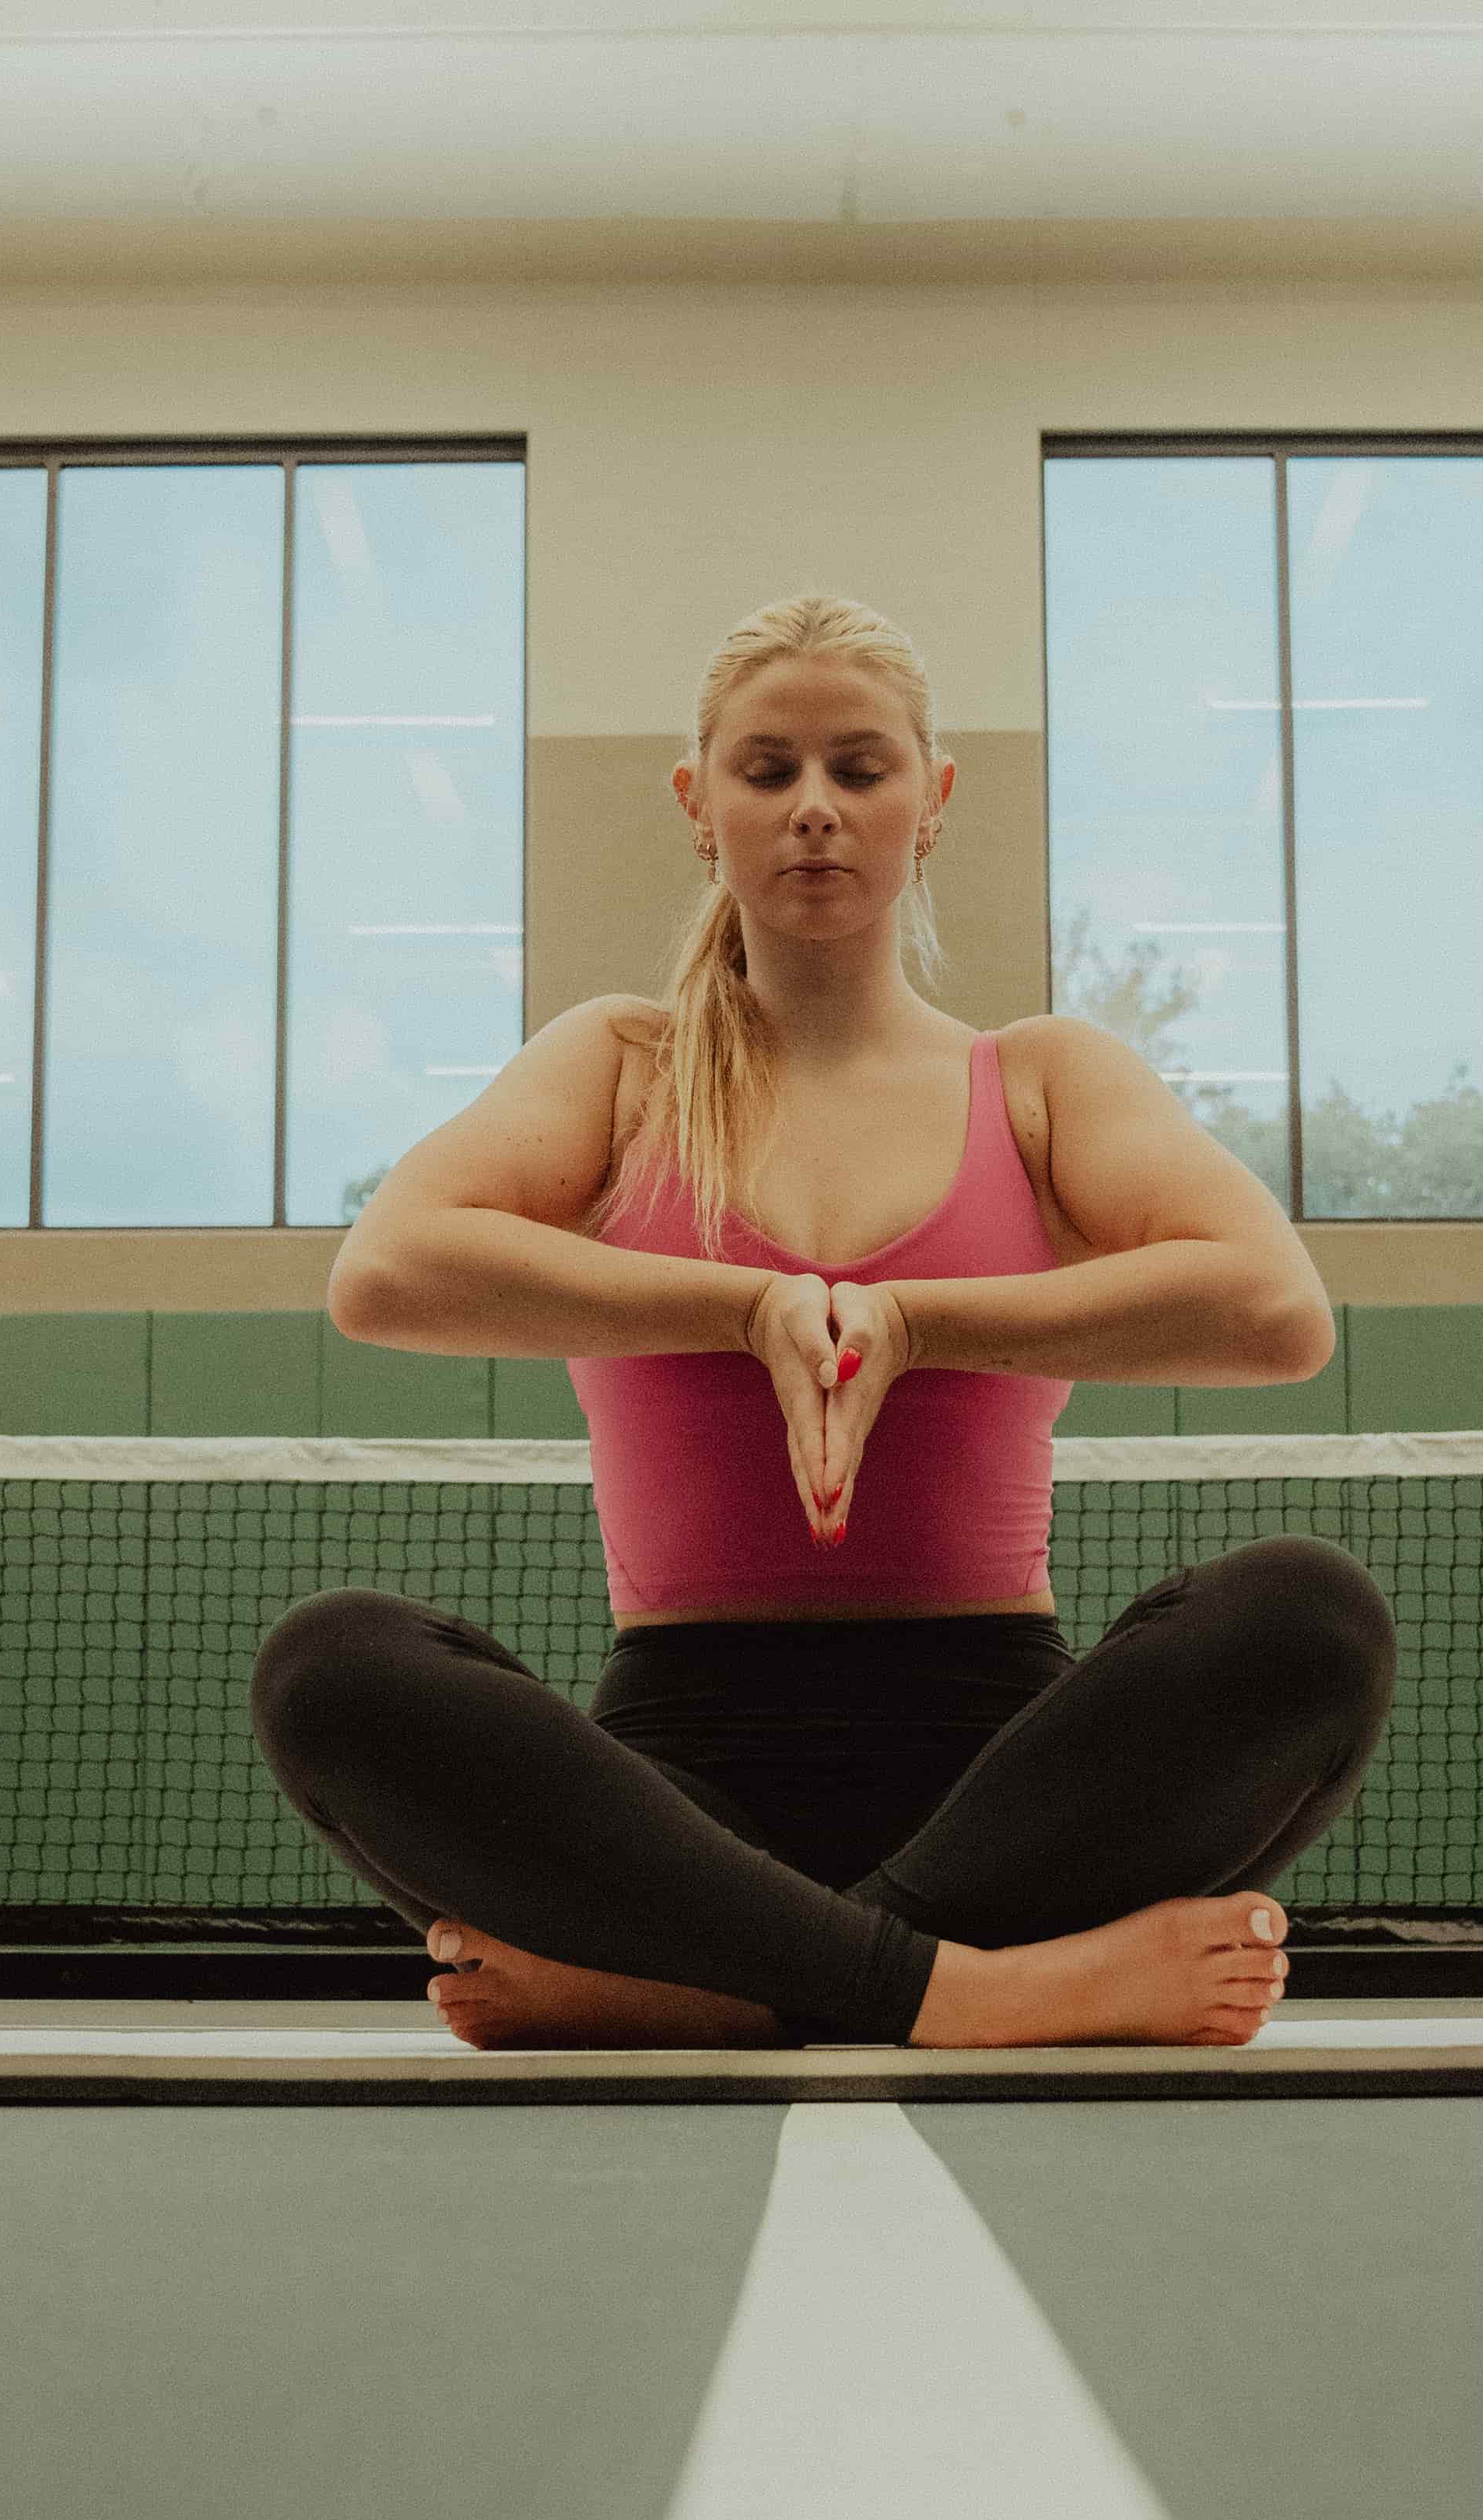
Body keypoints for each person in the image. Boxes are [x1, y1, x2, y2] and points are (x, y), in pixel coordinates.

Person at [261, 590, 1396, 2051]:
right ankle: (974, 1991)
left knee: (1307, 1613)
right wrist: (744, 1307)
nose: (813, 809)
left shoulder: (1040, 1078)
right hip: (678, 1787)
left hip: (1012, 1778)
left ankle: (704, 1983)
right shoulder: (618, 1065)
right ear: (697, 802)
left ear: (931, 800)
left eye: (859, 770)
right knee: (332, 1664)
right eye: (767, 769)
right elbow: (389, 1271)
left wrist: (909, 1324)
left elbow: (1271, 1310)